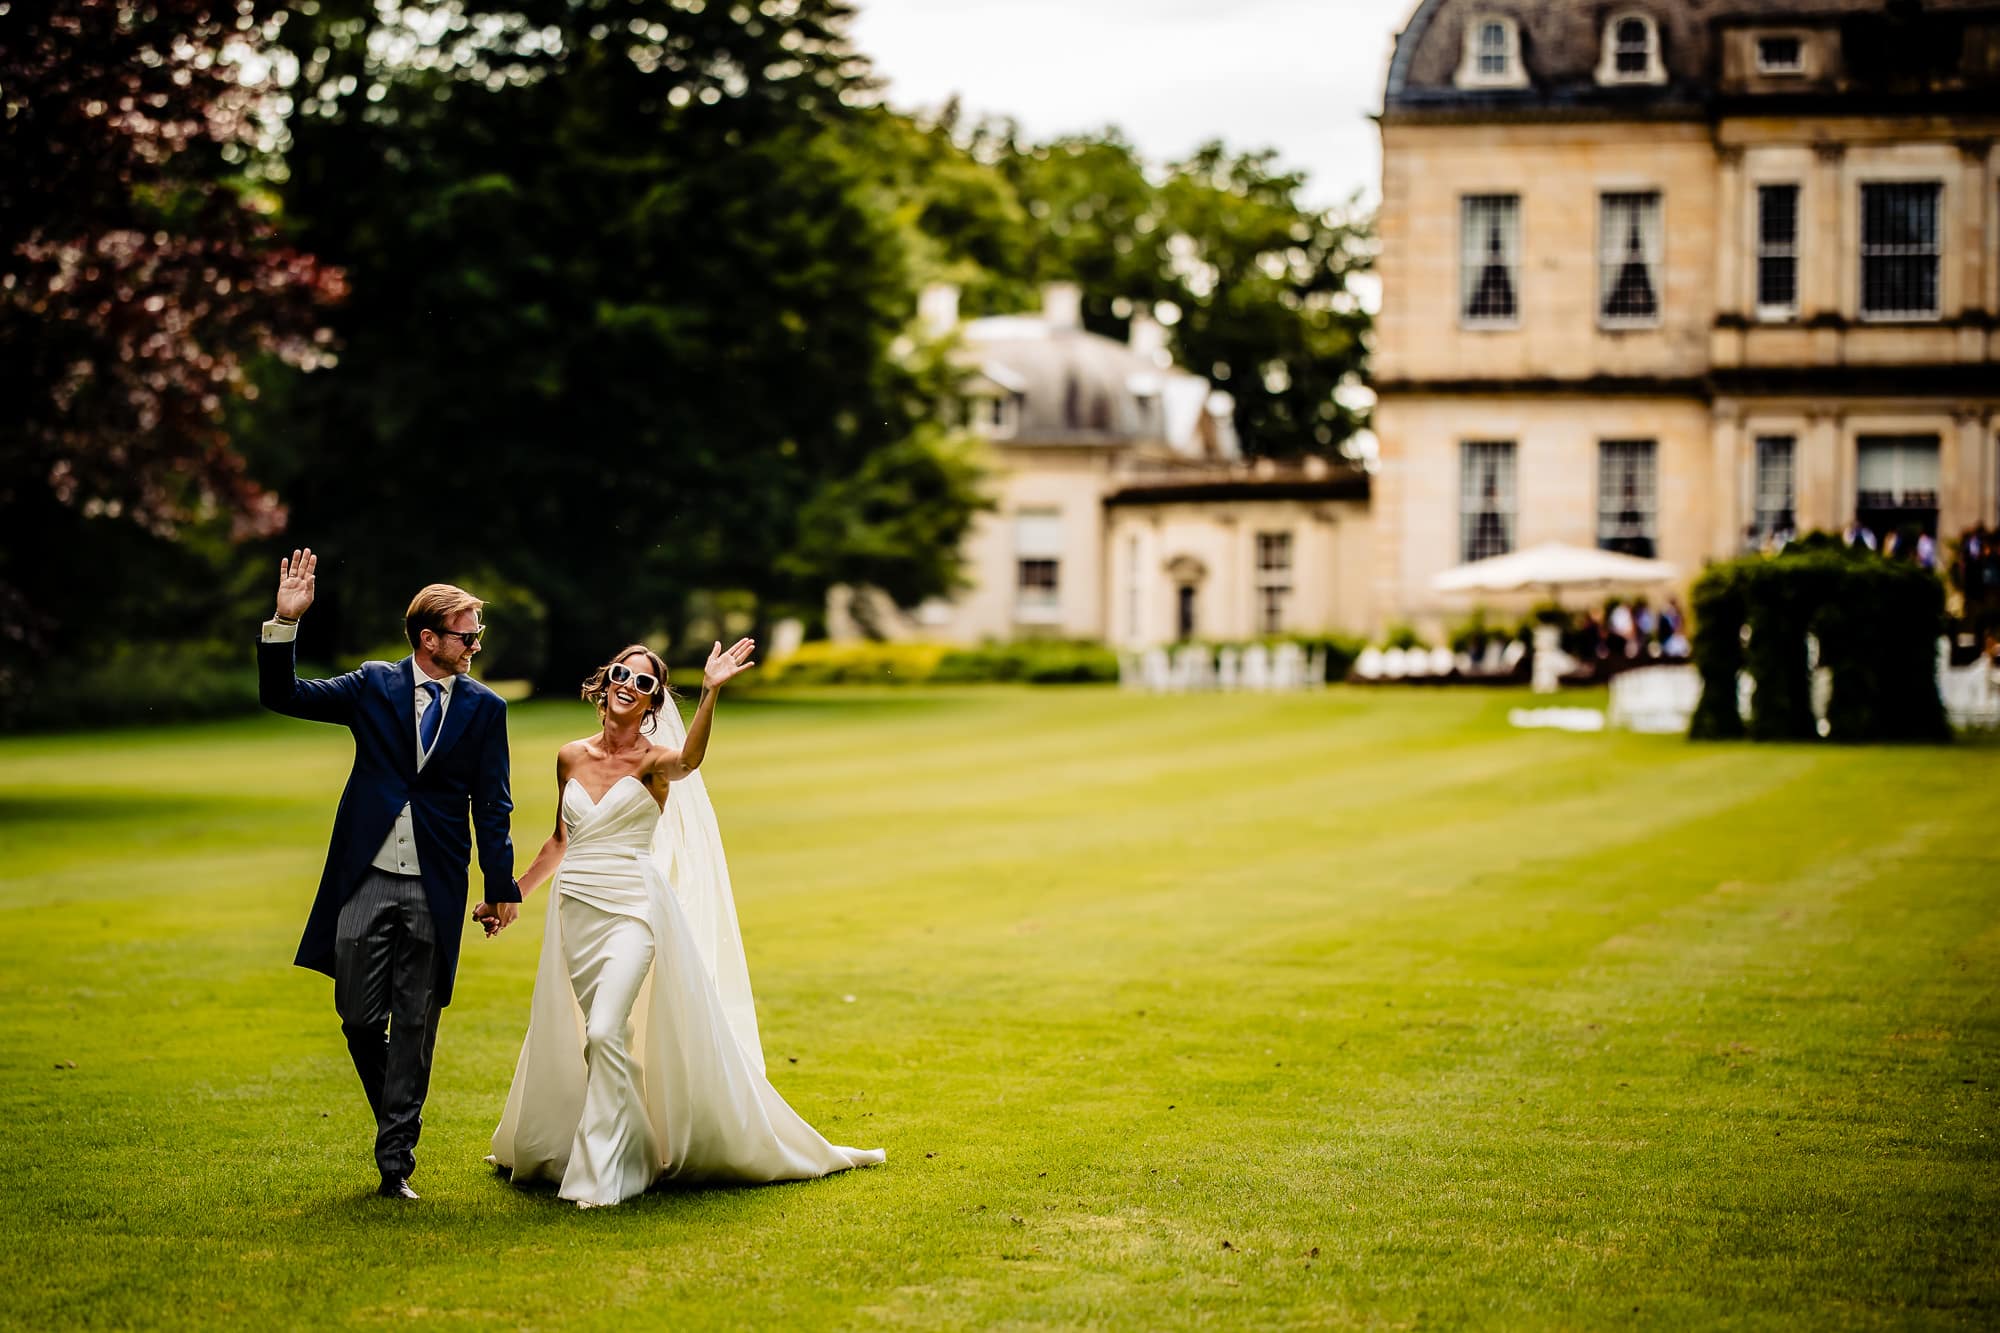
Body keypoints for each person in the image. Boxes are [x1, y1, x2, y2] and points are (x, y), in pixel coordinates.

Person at [489, 642, 883, 1207]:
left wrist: (711, 693)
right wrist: (513, 894)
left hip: (633, 908)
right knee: (603, 1037)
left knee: (603, 1031)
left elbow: (690, 761)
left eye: (644, 682)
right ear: (606, 682)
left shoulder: (656, 762)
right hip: (575, 910)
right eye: (622, 673)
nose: (629, 684)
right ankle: (631, 1147)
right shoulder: (570, 757)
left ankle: (606, 1171)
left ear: (651, 702)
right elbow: (560, 840)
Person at [257, 549, 520, 1201]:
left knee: (415, 1020)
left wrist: (499, 885)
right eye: (467, 633)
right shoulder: (373, 684)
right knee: (357, 1016)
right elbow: (282, 694)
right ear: (429, 638)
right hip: (363, 877)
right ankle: (397, 1120)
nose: (476, 643)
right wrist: (285, 623)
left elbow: (494, 803)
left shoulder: (485, 709)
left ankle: (394, 1159)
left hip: (436, 881)